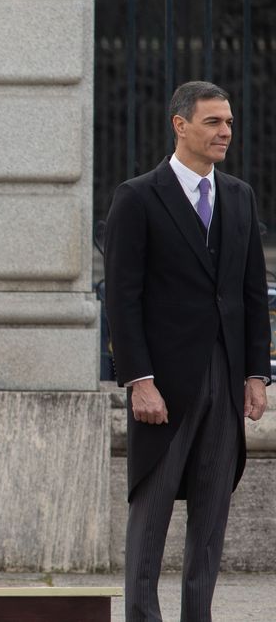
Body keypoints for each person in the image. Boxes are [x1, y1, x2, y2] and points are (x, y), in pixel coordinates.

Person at [104, 81, 270, 621]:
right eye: (213, 122)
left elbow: (250, 293)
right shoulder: (137, 196)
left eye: (228, 122)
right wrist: (139, 380)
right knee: (150, 513)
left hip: (224, 379)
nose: (225, 132)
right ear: (180, 125)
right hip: (164, 383)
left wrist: (254, 374)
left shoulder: (240, 196)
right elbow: (122, 299)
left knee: (212, 511)